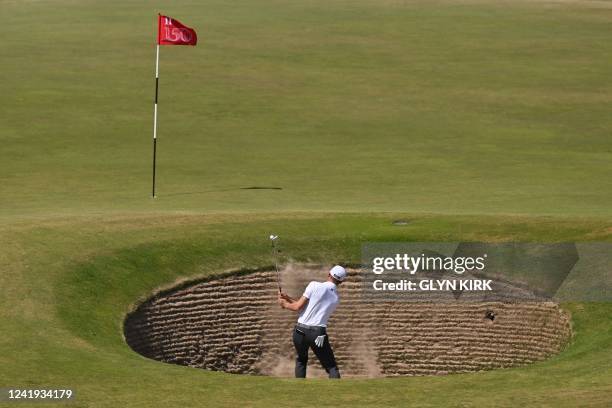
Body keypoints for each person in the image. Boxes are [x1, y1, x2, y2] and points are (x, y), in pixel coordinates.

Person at [277, 265, 347, 378]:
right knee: (331, 367)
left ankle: (300, 391)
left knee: (301, 360)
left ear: (329, 274)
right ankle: (337, 393)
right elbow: (304, 308)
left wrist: (284, 304)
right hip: (317, 334)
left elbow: (297, 307)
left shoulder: (314, 285)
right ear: (341, 281)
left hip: (300, 331)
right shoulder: (336, 298)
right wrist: (288, 298)